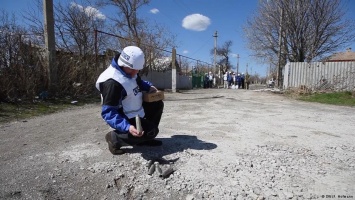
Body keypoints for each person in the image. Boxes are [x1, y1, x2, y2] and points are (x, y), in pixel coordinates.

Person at [95, 46, 164, 155]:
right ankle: (114, 138)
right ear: (123, 64)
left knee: (157, 103)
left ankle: (144, 139)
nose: (135, 72)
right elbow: (109, 113)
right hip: (125, 117)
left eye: (137, 70)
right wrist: (127, 127)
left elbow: (138, 82)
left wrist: (149, 87)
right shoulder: (112, 83)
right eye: (132, 69)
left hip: (135, 110)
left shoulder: (129, 69)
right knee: (151, 131)